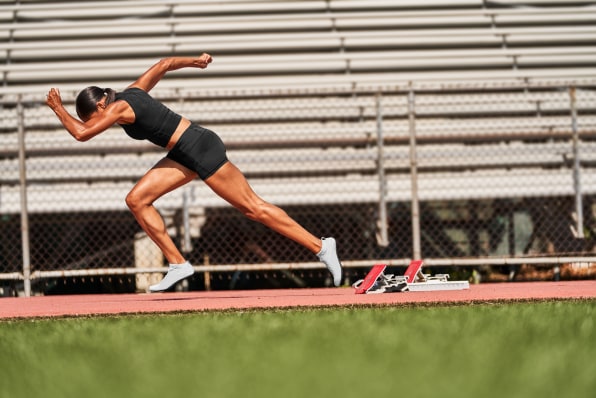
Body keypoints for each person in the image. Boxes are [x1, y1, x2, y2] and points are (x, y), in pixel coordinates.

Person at [45, 53, 343, 292]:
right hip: (184, 152)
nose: (100, 122)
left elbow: (82, 134)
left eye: (95, 116)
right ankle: (178, 264)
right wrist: (195, 61)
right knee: (137, 200)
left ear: (100, 105)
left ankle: (320, 246)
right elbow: (163, 64)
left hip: (200, 147)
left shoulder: (118, 108)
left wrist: (58, 109)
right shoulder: (133, 92)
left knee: (254, 208)